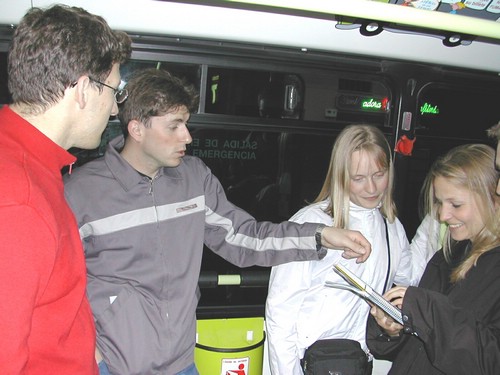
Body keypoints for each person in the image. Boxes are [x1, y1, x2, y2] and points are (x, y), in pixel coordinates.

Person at [63, 68, 372, 375]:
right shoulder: (82, 192)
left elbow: (244, 237)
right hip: (111, 367)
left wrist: (320, 237)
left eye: (186, 123)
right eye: (175, 126)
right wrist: (95, 358)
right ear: (137, 129)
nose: (187, 136)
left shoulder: (193, 179)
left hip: (180, 364)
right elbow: (56, 288)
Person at [0, 5, 131, 375]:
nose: (113, 111)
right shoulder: (18, 199)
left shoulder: (30, 162)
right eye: (113, 90)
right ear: (84, 88)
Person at [265, 124, 421, 375]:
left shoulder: (391, 226)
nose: (371, 189)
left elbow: (407, 277)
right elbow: (280, 313)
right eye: (358, 179)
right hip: (312, 362)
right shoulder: (309, 225)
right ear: (340, 177)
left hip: (360, 361)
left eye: (379, 174)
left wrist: (433, 225)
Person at [366, 143, 500, 374]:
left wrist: (424, 309)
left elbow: (488, 362)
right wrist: (393, 330)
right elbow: (419, 350)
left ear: (493, 198)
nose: (443, 215)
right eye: (439, 202)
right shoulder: (447, 255)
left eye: (456, 204)